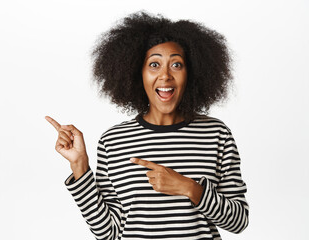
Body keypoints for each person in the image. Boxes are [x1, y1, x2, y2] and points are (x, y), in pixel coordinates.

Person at [45, 11, 249, 240]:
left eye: (176, 65)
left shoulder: (216, 134)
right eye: (154, 64)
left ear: (190, 74)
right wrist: (80, 167)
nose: (165, 75)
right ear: (136, 73)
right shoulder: (113, 141)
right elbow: (109, 234)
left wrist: (189, 188)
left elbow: (239, 221)